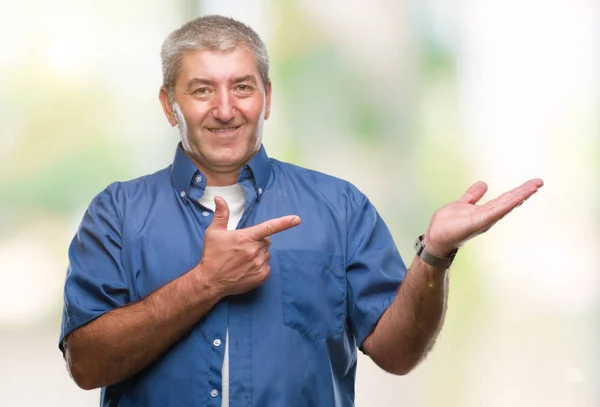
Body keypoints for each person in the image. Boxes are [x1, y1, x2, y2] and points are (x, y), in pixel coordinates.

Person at [59, 15, 543, 407]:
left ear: (266, 98)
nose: (225, 109)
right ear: (169, 105)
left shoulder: (340, 206)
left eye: (243, 88)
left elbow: (397, 354)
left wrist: (434, 254)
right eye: (203, 89)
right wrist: (206, 282)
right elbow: (86, 365)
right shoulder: (115, 213)